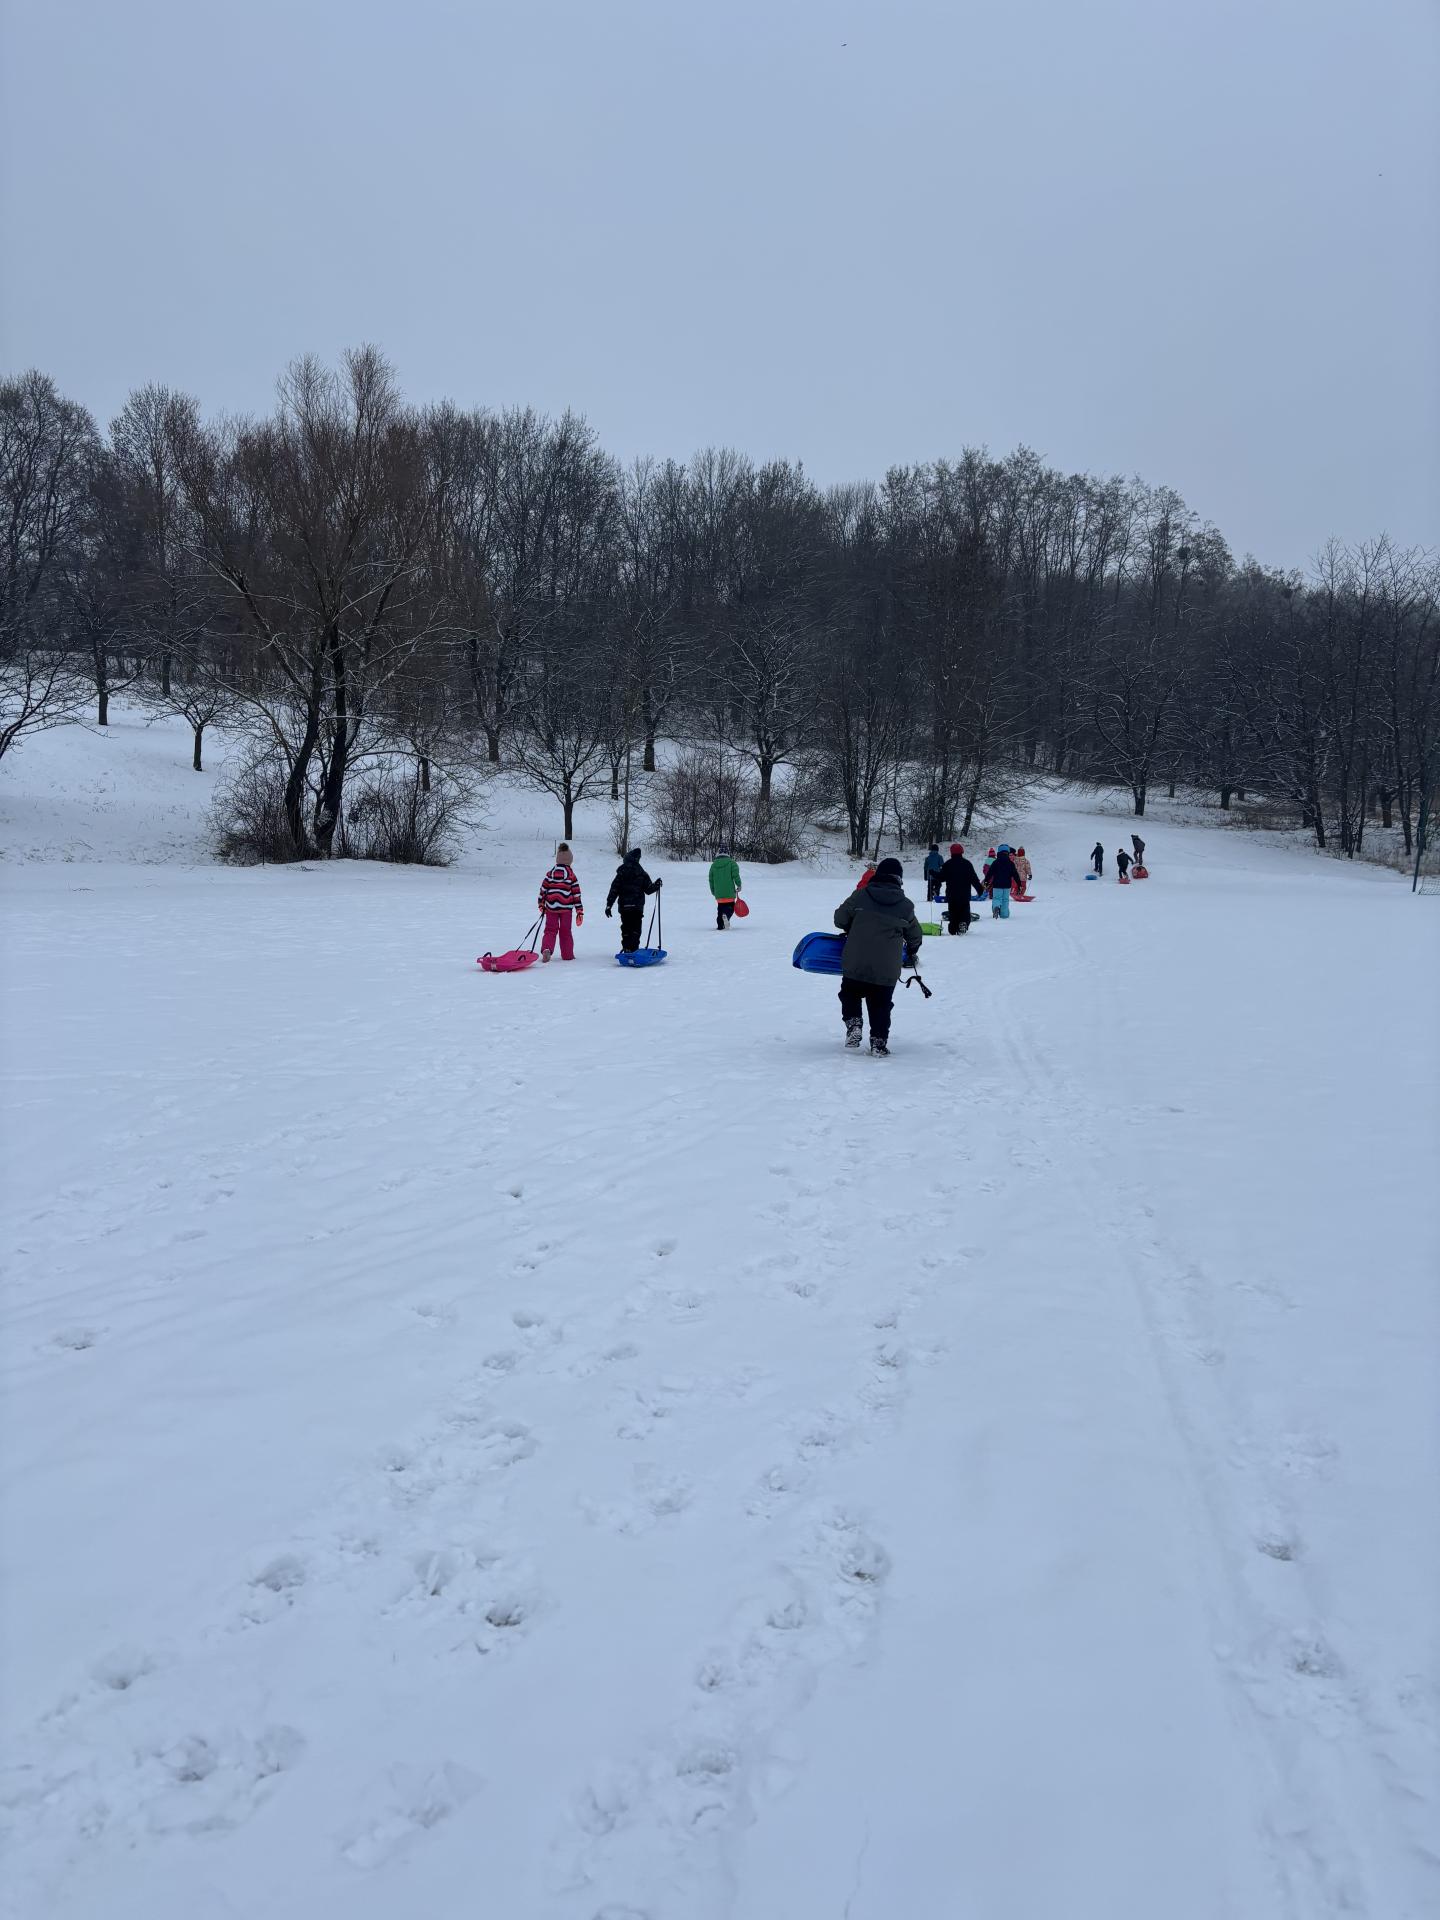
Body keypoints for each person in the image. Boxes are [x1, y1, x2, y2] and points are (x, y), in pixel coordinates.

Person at [832, 856, 923, 1057]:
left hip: (856, 961)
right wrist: (912, 949)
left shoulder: (860, 895)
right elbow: (915, 935)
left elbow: (839, 919)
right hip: (886, 968)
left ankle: (854, 1023)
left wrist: (853, 924)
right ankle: (879, 1042)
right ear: (899, 879)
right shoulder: (905, 906)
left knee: (850, 993)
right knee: (881, 1005)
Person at [606, 848, 661, 953]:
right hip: (637, 906)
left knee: (626, 927)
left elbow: (614, 890)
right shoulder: (642, 873)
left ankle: (627, 948)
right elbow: (648, 890)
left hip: (624, 906)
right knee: (635, 928)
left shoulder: (621, 873)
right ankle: (634, 949)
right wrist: (656, 885)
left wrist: (609, 905)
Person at [537, 842, 583, 962]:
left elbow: (543, 889)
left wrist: (541, 903)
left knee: (550, 930)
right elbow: (576, 894)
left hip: (551, 908)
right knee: (565, 931)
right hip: (566, 908)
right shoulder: (571, 875)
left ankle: (547, 949)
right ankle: (567, 955)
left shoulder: (550, 874)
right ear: (570, 860)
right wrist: (579, 911)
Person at [937, 841, 984, 934]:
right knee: (964, 911)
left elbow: (941, 878)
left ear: (951, 852)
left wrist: (933, 873)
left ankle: (953, 929)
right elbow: (973, 878)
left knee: (953, 912)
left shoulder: (948, 864)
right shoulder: (967, 864)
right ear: (962, 852)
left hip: (951, 894)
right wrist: (979, 889)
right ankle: (963, 923)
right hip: (964, 894)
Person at [708, 847, 742, 930]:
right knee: (730, 908)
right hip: (729, 892)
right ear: (727, 853)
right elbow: (735, 875)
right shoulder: (731, 863)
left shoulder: (713, 865)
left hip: (718, 893)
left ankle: (720, 925)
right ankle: (726, 915)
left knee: (720, 909)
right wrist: (739, 885)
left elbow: (711, 880)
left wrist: (713, 891)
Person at [987, 844, 1019, 918]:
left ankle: (996, 907)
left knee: (996, 898)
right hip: (1007, 885)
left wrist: (986, 881)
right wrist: (1019, 883)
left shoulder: (995, 862)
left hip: (997, 885)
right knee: (1005, 900)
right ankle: (1004, 914)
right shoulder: (1010, 863)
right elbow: (1015, 874)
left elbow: (990, 873)